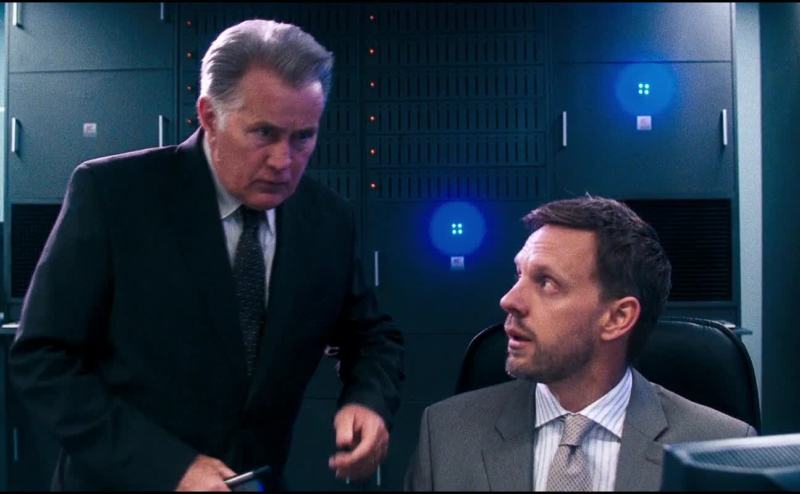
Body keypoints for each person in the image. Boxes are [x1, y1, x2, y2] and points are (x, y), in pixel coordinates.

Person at [9, 19, 404, 491]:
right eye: (263, 133)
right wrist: (168, 467)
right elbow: (43, 358)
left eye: (303, 136)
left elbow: (372, 336)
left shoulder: (327, 219)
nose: (284, 161)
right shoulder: (114, 195)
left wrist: (368, 400)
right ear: (209, 116)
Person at [404, 196, 756, 491]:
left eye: (546, 282)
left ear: (617, 318)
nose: (509, 300)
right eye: (519, 274)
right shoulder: (446, 435)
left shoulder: (722, 450)